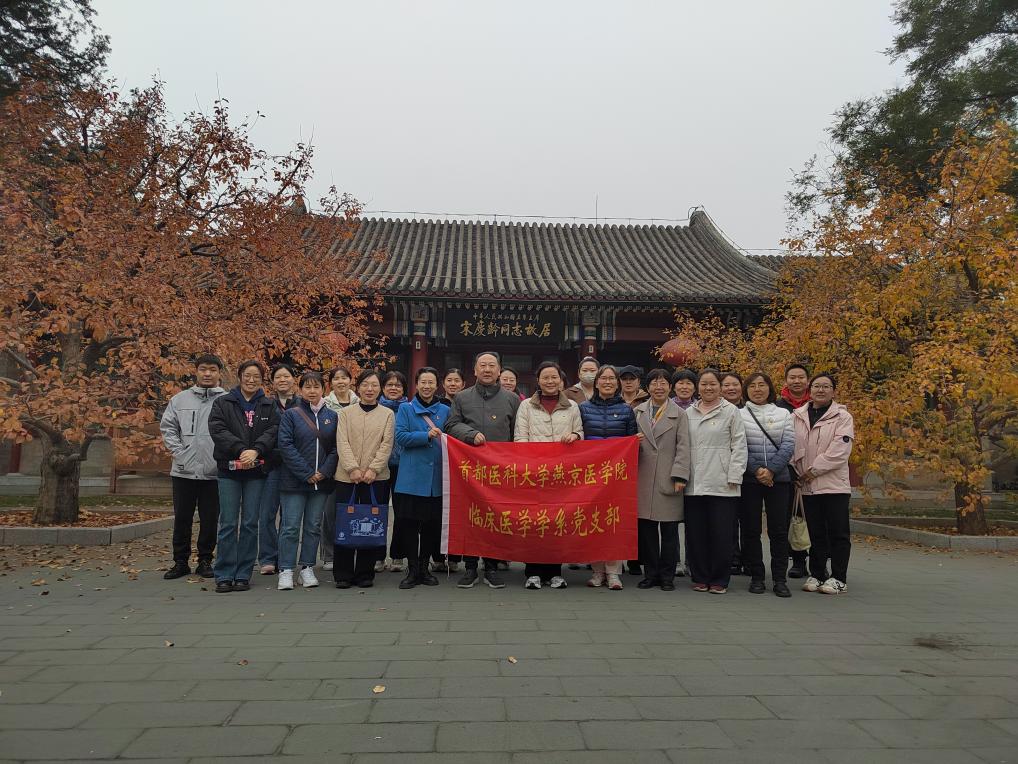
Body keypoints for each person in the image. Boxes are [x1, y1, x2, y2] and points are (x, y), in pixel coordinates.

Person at [445, 351, 521, 589]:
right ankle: (470, 567)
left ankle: (491, 567)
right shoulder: (462, 397)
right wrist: (470, 434)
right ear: (475, 370)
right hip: (469, 468)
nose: (487, 370)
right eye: (483, 365)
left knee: (495, 516)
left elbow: (517, 434)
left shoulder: (512, 399)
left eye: (492, 366)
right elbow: (451, 425)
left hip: (500, 469)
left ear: (499, 371)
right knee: (470, 515)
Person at [208, 360, 280, 593]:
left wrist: (256, 450)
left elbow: (273, 431)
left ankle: (243, 573)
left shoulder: (268, 405)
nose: (251, 380)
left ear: (262, 379)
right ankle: (224, 573)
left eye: (256, 376)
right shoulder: (223, 402)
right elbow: (218, 430)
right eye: (247, 375)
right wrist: (241, 449)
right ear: (239, 377)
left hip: (256, 472)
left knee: (250, 523)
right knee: (228, 523)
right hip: (229, 470)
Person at [514, 361, 583, 590]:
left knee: (557, 523)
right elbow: (520, 438)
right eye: (545, 377)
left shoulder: (572, 407)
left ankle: (555, 572)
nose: (550, 381)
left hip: (562, 475)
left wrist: (574, 436)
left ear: (561, 380)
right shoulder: (526, 406)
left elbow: (580, 433)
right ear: (538, 381)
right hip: (534, 474)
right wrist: (530, 466)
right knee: (533, 522)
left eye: (554, 377)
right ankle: (533, 572)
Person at [160, 354, 227, 580]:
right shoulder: (179, 400)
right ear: (196, 371)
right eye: (203, 369)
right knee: (182, 518)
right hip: (183, 470)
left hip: (214, 471)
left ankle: (205, 560)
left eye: (212, 369)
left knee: (210, 519)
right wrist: (180, 453)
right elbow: (168, 428)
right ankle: (180, 561)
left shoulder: (227, 400)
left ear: (219, 373)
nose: (207, 373)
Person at [684, 368, 747, 595]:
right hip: (694, 482)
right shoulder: (688, 412)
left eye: (713, 384)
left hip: (723, 482)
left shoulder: (731, 411)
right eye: (704, 384)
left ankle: (720, 578)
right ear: (697, 387)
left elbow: (739, 445)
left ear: (720, 387)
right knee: (696, 533)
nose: (708, 388)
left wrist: (735, 475)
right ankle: (700, 576)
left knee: (721, 533)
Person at [792, 373, 855, 596]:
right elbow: (791, 445)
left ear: (833, 391)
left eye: (826, 386)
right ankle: (818, 573)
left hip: (834, 485)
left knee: (838, 532)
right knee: (816, 532)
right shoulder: (797, 416)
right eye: (817, 386)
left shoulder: (843, 417)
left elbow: (840, 452)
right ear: (810, 390)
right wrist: (797, 471)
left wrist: (813, 470)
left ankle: (839, 577)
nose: (821, 390)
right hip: (807, 485)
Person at [275, 371, 337, 591]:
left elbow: (336, 448)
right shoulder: (291, 415)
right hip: (294, 482)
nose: (312, 391)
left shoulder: (332, 416)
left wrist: (324, 471)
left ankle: (307, 567)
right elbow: (285, 445)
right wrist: (307, 472)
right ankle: (286, 569)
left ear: (323, 389)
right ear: (300, 390)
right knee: (290, 527)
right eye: (307, 387)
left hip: (321, 482)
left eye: (316, 387)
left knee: (313, 527)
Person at [333, 369, 395, 588]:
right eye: (365, 385)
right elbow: (342, 442)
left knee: (370, 523)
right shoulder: (345, 413)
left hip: (376, 478)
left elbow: (387, 444)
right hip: (346, 477)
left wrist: (373, 469)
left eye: (374, 385)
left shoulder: (387, 414)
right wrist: (352, 468)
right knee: (345, 522)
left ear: (380, 389)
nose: (370, 389)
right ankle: (343, 573)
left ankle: (364, 573)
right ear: (357, 387)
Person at [578, 365, 638, 590]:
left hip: (616, 476)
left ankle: (613, 573)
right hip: (590, 475)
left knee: (614, 523)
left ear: (617, 383)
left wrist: (634, 443)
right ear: (596, 383)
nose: (608, 382)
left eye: (612, 378)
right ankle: (597, 572)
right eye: (603, 378)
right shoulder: (583, 409)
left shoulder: (626, 410)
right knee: (593, 522)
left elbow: (632, 442)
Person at [393, 367, 450, 589]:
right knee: (409, 526)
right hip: (411, 479)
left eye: (431, 382)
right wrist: (425, 435)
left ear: (437, 385)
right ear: (416, 385)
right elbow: (400, 437)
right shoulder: (405, 409)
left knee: (430, 527)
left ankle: (425, 569)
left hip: (436, 479)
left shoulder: (445, 410)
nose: (426, 386)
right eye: (423, 382)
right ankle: (413, 569)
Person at [633, 369, 690, 591]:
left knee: (669, 532)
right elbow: (626, 442)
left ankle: (667, 576)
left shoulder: (680, 414)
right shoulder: (637, 411)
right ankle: (650, 574)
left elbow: (684, 447)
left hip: (668, 477)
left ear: (670, 387)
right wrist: (633, 442)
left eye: (663, 383)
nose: (659, 387)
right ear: (647, 387)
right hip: (643, 478)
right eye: (654, 383)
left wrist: (680, 475)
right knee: (647, 532)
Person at [739, 373, 794, 597]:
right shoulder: (738, 414)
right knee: (751, 530)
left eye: (762, 385)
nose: (757, 389)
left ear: (770, 388)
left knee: (778, 530)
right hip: (749, 480)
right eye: (752, 386)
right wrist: (757, 470)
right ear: (746, 390)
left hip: (778, 479)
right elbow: (738, 446)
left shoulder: (783, 414)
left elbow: (789, 444)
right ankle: (757, 577)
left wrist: (771, 470)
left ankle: (780, 579)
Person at [258, 364, 301, 576]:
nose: (282, 380)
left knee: (289, 516)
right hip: (270, 465)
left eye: (286, 376)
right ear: (272, 382)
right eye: (278, 377)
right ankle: (268, 557)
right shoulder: (265, 404)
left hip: (294, 467)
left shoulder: (303, 404)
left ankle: (285, 558)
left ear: (294, 379)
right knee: (266, 513)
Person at [321, 366, 358, 571]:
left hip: (355, 464)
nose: (341, 382)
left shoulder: (360, 403)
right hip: (330, 463)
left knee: (353, 511)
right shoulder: (323, 404)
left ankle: (352, 550)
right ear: (331, 383)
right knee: (330, 512)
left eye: (344, 378)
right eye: (336, 378)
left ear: (351, 381)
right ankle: (329, 554)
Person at [775, 363, 811, 579]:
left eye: (801, 377)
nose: (797, 381)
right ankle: (798, 561)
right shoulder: (778, 407)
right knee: (793, 516)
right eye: (792, 377)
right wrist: (791, 469)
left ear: (808, 380)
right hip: (788, 470)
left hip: (816, 471)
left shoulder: (816, 404)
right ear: (786, 380)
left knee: (817, 519)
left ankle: (819, 562)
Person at [433, 368, 466, 573]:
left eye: (457, 380)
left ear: (463, 384)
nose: (453, 384)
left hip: (461, 463)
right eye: (449, 380)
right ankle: (437, 557)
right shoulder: (436, 405)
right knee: (438, 512)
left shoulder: (466, 403)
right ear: (443, 383)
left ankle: (454, 557)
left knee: (458, 511)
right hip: (439, 461)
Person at [378, 371, 409, 574]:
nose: (393, 388)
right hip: (378, 467)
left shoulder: (410, 409)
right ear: (382, 387)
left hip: (403, 466)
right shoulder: (375, 408)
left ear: (404, 389)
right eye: (389, 384)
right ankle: (377, 555)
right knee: (377, 511)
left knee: (401, 512)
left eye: (398, 385)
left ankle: (398, 554)